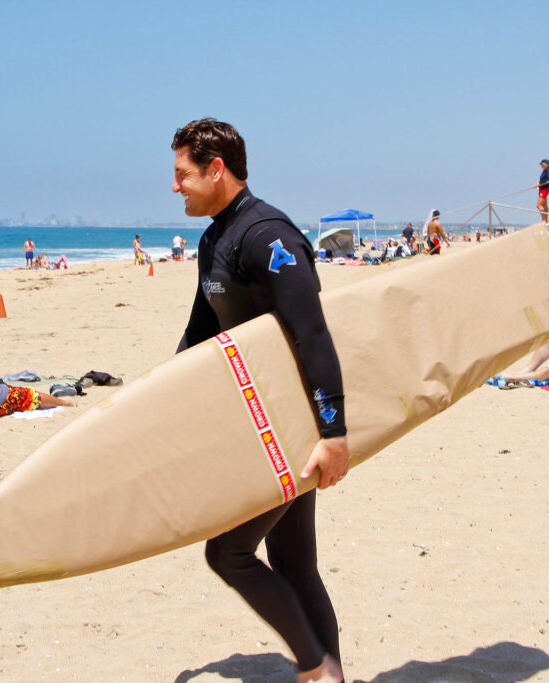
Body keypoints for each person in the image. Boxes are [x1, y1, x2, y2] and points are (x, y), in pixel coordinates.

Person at [171, 118, 348, 683]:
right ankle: (331, 674)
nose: (176, 187)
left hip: (290, 428)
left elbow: (312, 333)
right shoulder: (214, 238)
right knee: (295, 564)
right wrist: (157, 401)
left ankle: (317, 668)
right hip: (255, 423)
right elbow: (201, 332)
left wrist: (333, 431)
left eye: (183, 175)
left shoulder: (268, 236)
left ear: (215, 170)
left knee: (228, 553)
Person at [536, 158, 549, 223]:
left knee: (539, 205)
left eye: (542, 164)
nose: (541, 166)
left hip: (544, 189)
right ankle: (545, 220)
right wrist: (539, 183)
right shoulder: (545, 171)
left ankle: (544, 220)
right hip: (542, 188)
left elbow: (548, 179)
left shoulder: (548, 171)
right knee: (544, 205)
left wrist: (540, 183)